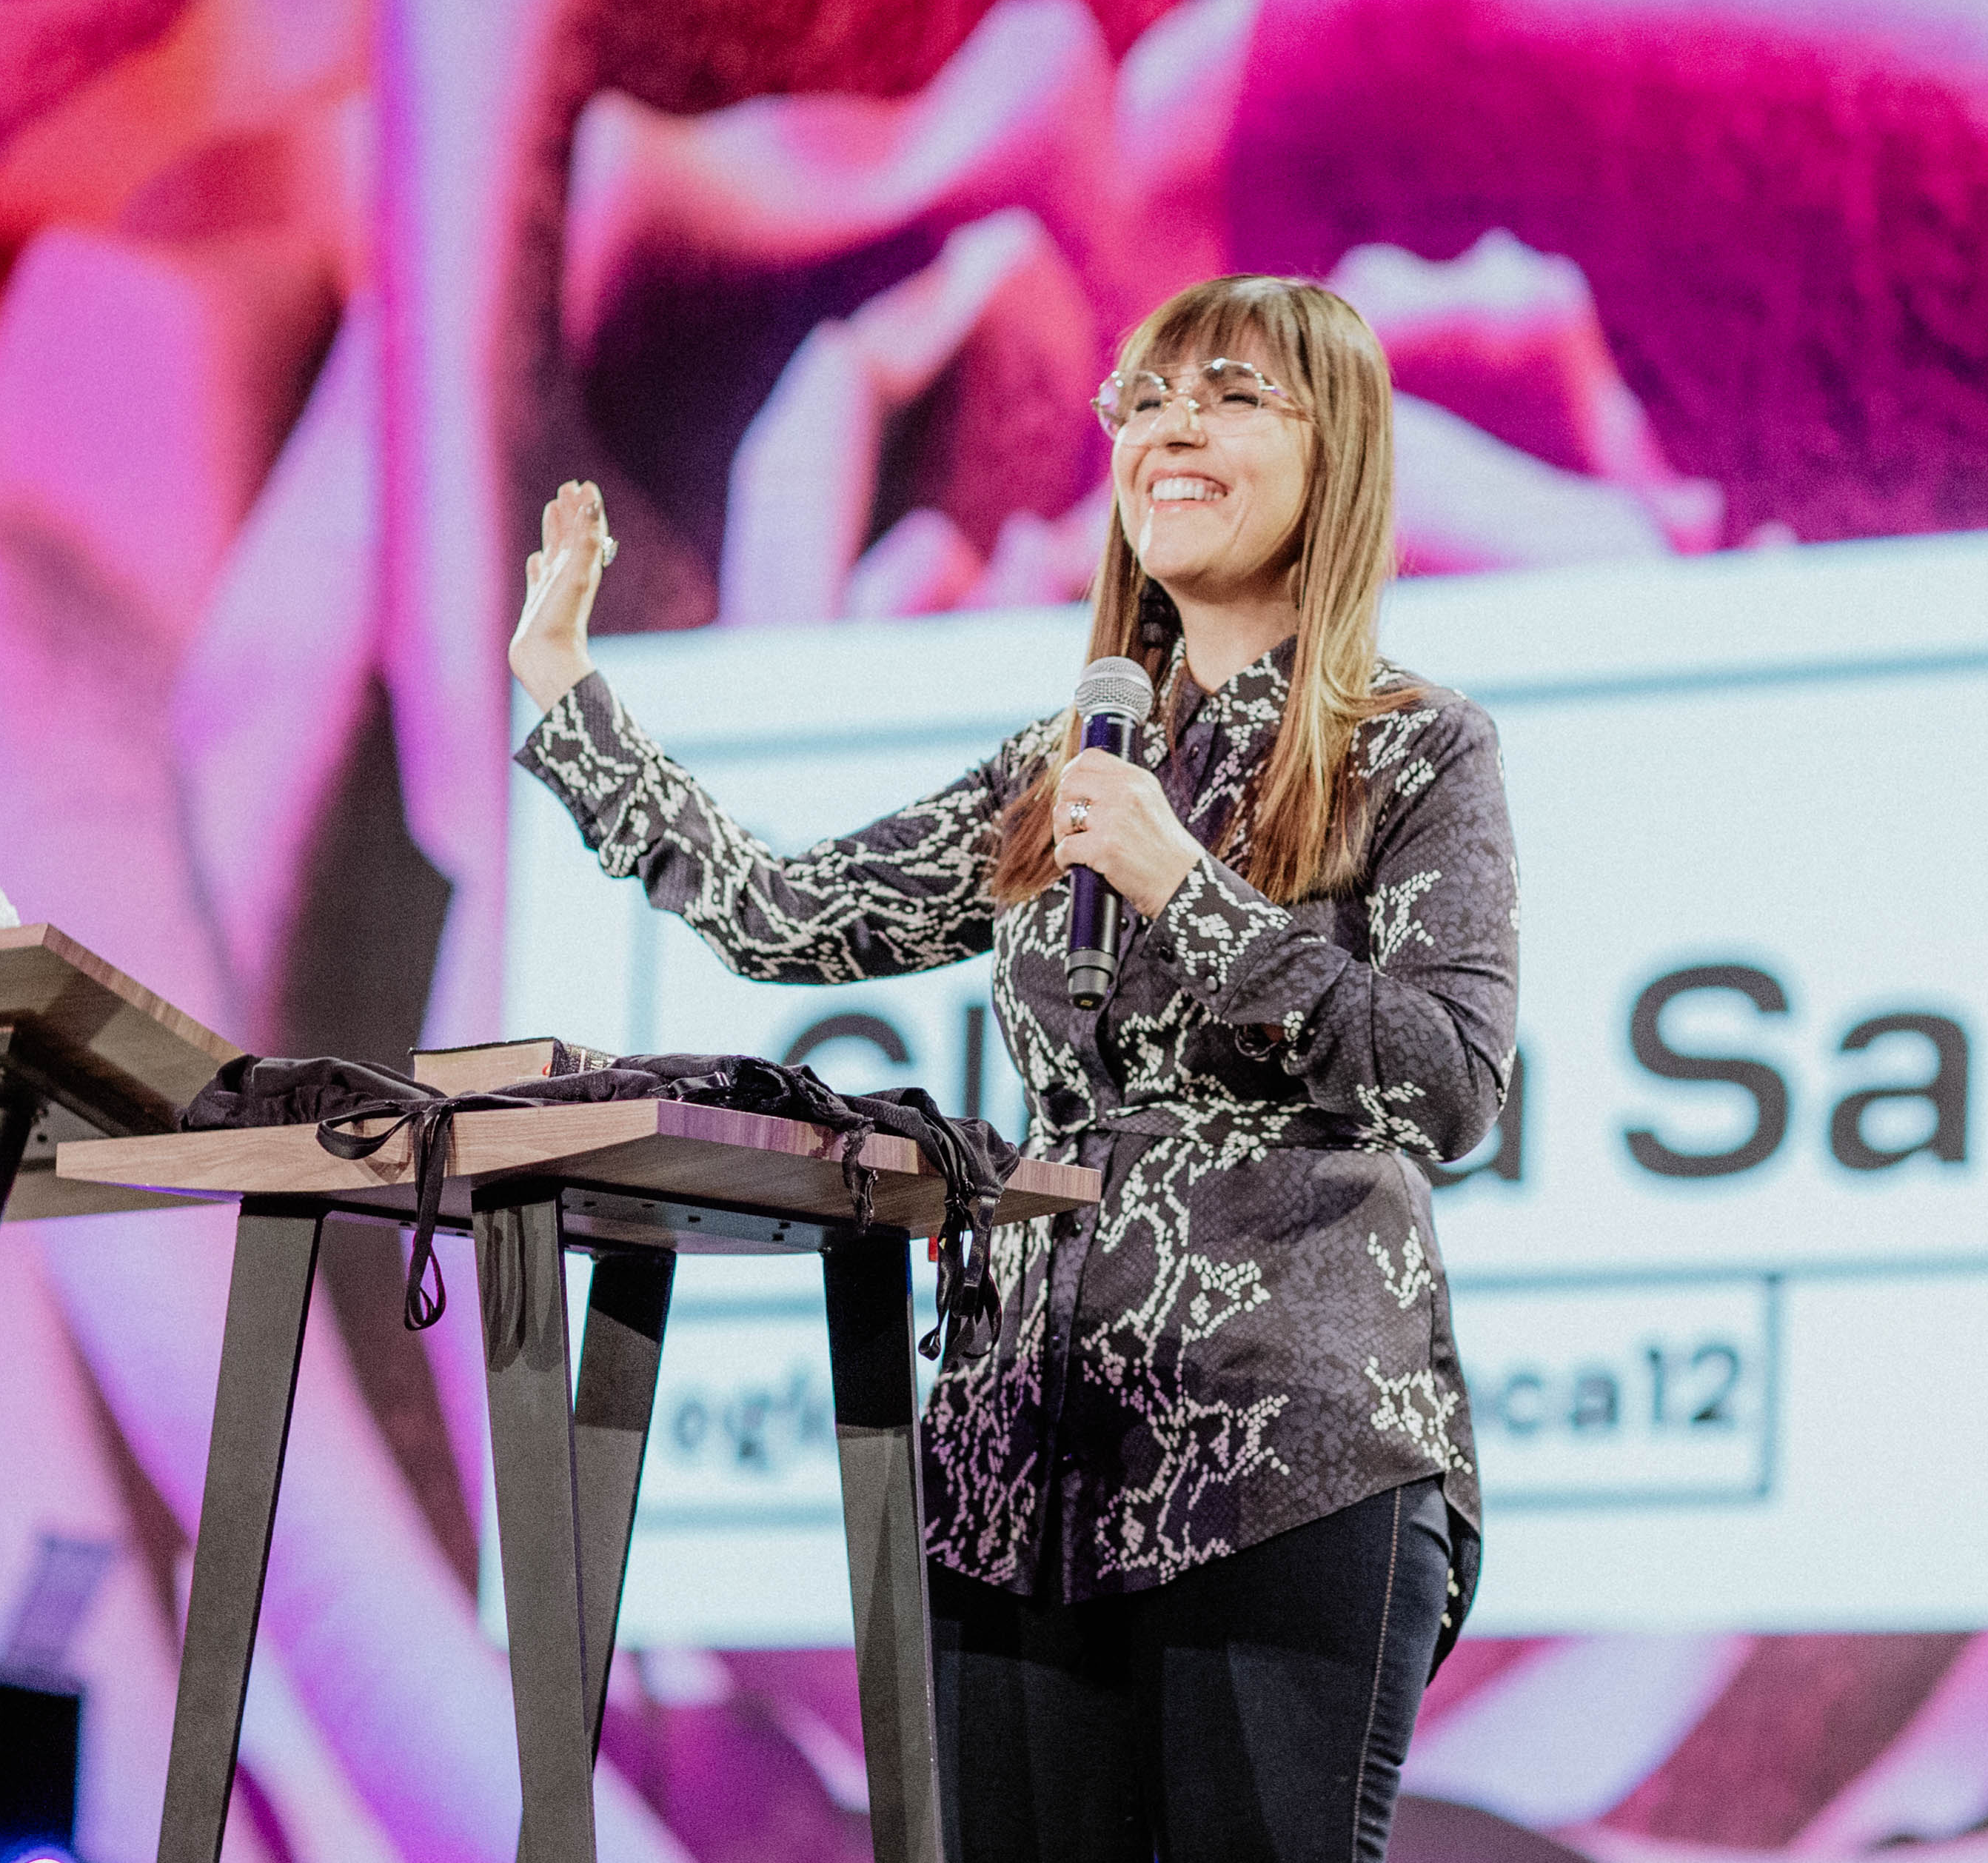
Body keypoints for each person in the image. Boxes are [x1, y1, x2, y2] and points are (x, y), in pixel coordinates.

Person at [508, 273, 1518, 1863]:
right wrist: (572, 696)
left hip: (1290, 1465)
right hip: (1016, 1479)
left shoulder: (1417, 751)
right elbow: (788, 916)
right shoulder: (1069, 771)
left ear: (1341, 454)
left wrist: (1193, 894)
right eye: (1148, 401)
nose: (1172, 427)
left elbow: (1450, 1081)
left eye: (1234, 395)